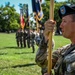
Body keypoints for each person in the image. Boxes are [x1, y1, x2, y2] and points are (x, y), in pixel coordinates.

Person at [35, 4, 75, 75]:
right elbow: (42, 61)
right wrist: (46, 37)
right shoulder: (65, 50)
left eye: (64, 21)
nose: (60, 25)